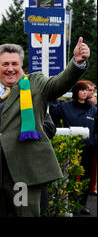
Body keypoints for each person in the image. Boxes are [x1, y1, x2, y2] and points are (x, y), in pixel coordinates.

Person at [0, 38, 90, 217]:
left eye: (15, 63)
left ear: (21, 65)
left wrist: (76, 63)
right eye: (5, 64)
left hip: (23, 177)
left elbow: (59, 83)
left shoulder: (35, 84)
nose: (10, 68)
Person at [49, 80, 97, 214]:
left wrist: (93, 141)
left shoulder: (93, 109)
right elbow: (52, 112)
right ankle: (66, 203)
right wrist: (51, 93)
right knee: (66, 177)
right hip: (69, 148)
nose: (84, 92)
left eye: (86, 90)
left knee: (85, 177)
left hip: (87, 149)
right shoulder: (65, 107)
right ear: (76, 92)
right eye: (82, 89)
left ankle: (81, 205)